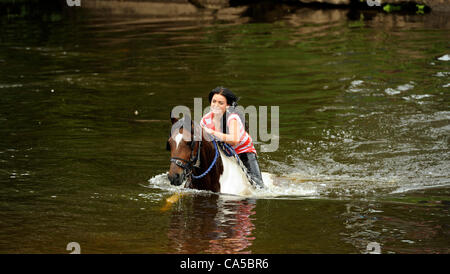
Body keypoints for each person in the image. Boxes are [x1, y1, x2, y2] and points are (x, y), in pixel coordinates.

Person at [200, 86, 264, 188]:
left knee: (258, 187)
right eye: (214, 101)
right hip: (222, 153)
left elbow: (234, 140)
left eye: (220, 103)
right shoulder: (205, 120)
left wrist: (212, 132)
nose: (216, 105)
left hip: (242, 152)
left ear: (228, 105)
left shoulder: (232, 118)